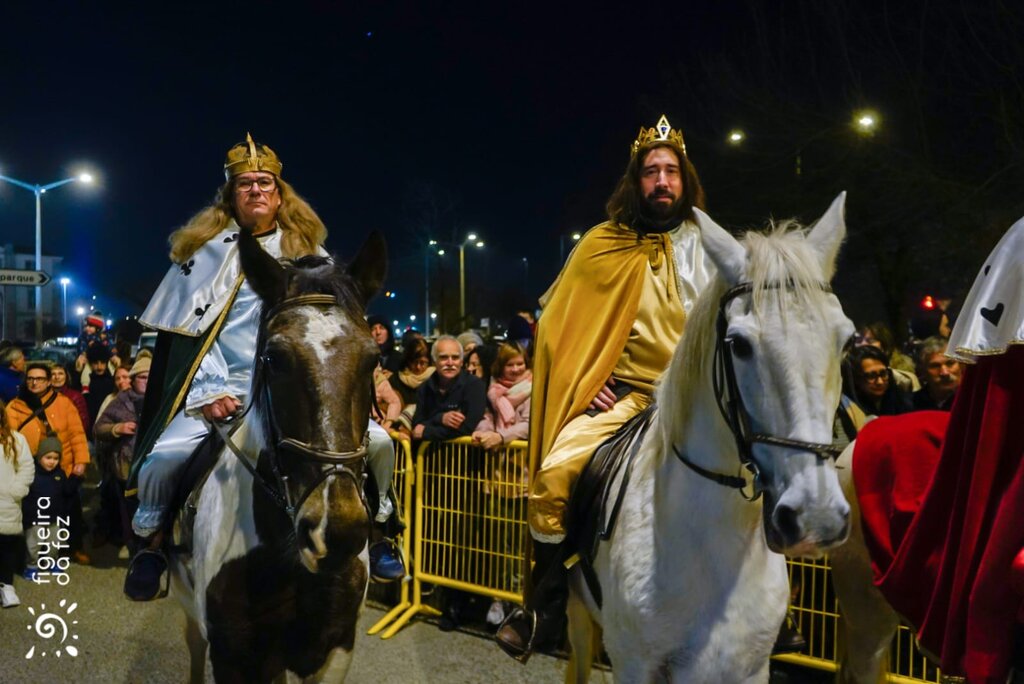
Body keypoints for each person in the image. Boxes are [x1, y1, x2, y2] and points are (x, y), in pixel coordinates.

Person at [124, 134, 401, 600]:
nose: (256, 190)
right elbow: (186, 337)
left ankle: (379, 528)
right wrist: (208, 391)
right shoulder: (203, 254)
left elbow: (333, 332)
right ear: (230, 194)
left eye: (265, 183)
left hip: (291, 391)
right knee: (164, 459)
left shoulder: (310, 252)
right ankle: (151, 546)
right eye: (246, 183)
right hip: (223, 386)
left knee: (378, 442)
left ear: (280, 193)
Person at [496, 115, 715, 659]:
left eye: (671, 171)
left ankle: (773, 609)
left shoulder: (714, 246)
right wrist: (588, 377)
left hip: (705, 403)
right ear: (635, 181)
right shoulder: (602, 244)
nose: (661, 181)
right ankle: (544, 607)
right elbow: (557, 328)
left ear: (685, 179)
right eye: (650, 172)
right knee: (554, 475)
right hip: (633, 400)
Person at [5, 362, 91, 565]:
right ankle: (30, 554)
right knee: (32, 515)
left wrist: (81, 461)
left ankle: (72, 547)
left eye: (40, 379)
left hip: (64, 468)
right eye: (31, 378)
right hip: (31, 471)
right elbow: (9, 438)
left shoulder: (64, 404)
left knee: (68, 511)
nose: (34, 383)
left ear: (49, 381)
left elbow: (77, 433)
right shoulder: (16, 406)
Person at [473, 342, 532, 628]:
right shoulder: (494, 392)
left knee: (519, 545)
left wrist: (501, 437)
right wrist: (482, 431)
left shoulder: (533, 389)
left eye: (520, 363)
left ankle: (519, 598)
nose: (517, 369)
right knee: (496, 542)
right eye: (511, 365)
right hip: (496, 477)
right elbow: (487, 418)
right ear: (501, 367)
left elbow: (531, 424)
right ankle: (499, 596)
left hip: (521, 477)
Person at [94, 356, 150, 556]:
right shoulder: (121, 400)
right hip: (126, 467)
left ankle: (151, 547)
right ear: (134, 379)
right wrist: (117, 428)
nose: (146, 380)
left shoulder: (161, 398)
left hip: (154, 467)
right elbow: (99, 428)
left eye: (149, 377)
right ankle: (132, 545)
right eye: (142, 377)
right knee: (128, 510)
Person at [409, 336, 486, 442]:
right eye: (444, 357)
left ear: (462, 362)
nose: (450, 363)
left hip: (465, 455)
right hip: (429, 456)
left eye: (455, 358)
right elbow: (417, 425)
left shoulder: (474, 385)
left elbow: (467, 428)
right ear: (434, 361)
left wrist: (427, 431)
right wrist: (441, 418)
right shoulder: (424, 388)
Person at [21, 435, 76, 582]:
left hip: (54, 517)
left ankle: (51, 561)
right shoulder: (32, 473)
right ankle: (31, 565)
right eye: (48, 457)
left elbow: (67, 491)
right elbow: (25, 495)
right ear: (40, 457)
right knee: (33, 544)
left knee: (54, 542)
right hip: (35, 518)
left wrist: (76, 477)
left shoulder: (59, 474)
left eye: (56, 458)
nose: (52, 462)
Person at [0, 399, 34, 607]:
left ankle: (6, 585)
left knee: (6, 547)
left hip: (6, 503)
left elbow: (26, 468)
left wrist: (15, 492)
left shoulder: (16, 440)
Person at [842, 345, 914, 417]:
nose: (880, 382)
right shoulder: (848, 409)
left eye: (883, 374)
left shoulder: (903, 402)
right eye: (871, 376)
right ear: (856, 379)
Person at [911, 336, 962, 411]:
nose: (945, 373)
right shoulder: (911, 403)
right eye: (935, 366)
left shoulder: (975, 399)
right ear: (922, 371)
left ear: (961, 365)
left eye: (950, 363)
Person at [50, 364, 91, 439]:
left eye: (60, 373)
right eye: (53, 374)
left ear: (66, 377)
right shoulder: (44, 396)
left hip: (72, 437)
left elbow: (84, 422)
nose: (57, 377)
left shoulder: (76, 396)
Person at [83, 343, 116, 429]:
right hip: (90, 425)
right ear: (90, 364)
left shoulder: (113, 380)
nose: (99, 366)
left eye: (102, 363)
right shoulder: (85, 380)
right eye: (95, 363)